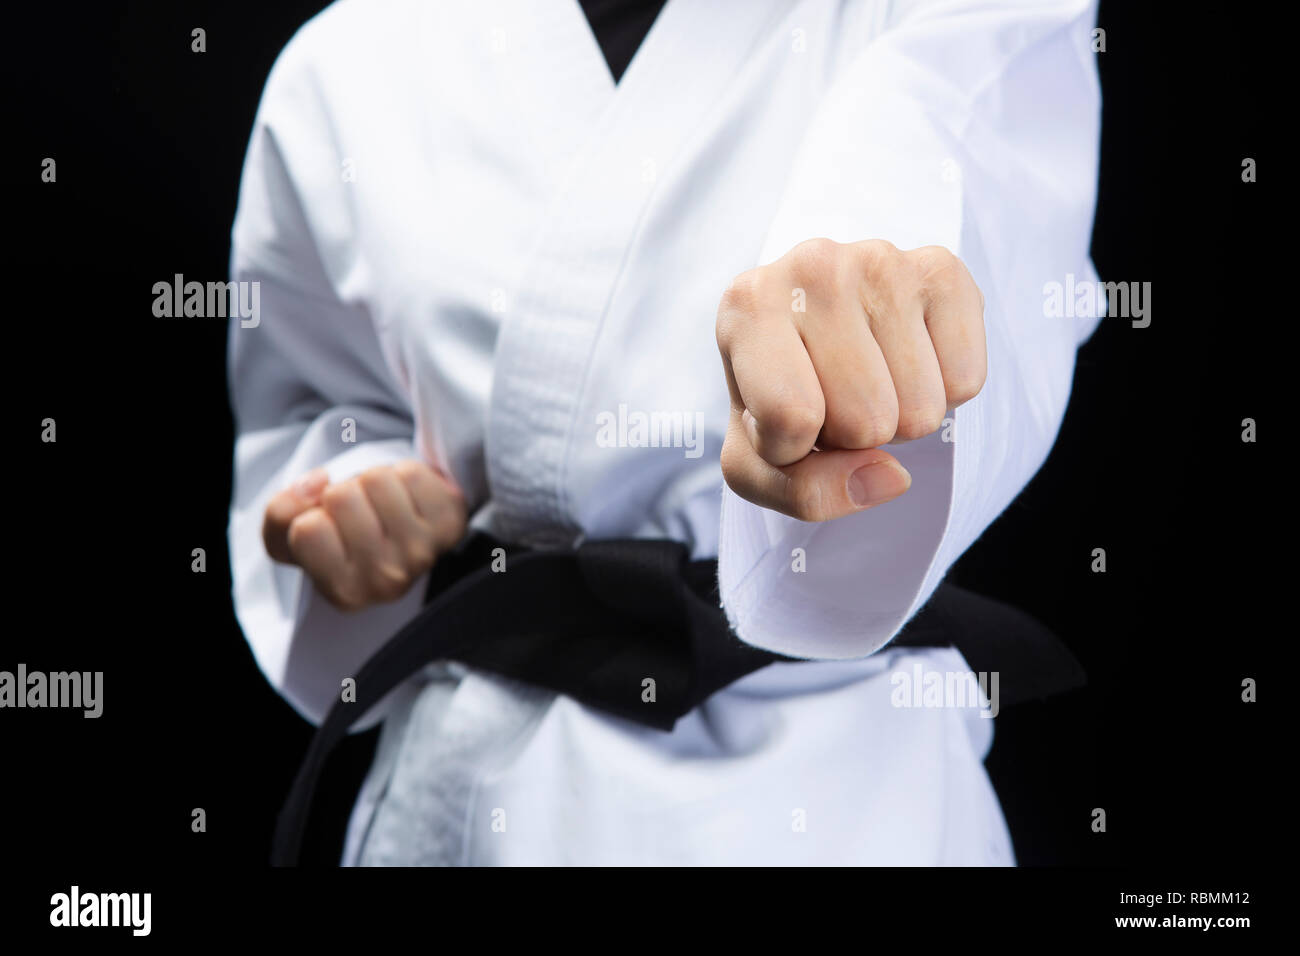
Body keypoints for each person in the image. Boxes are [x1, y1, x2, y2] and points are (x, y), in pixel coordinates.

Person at [227, 0, 1103, 865]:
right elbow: (317, 403)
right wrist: (360, 501)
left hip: (847, 795)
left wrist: (853, 330)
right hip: (467, 789)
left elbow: (939, 161)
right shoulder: (351, 55)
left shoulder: (946, 15)